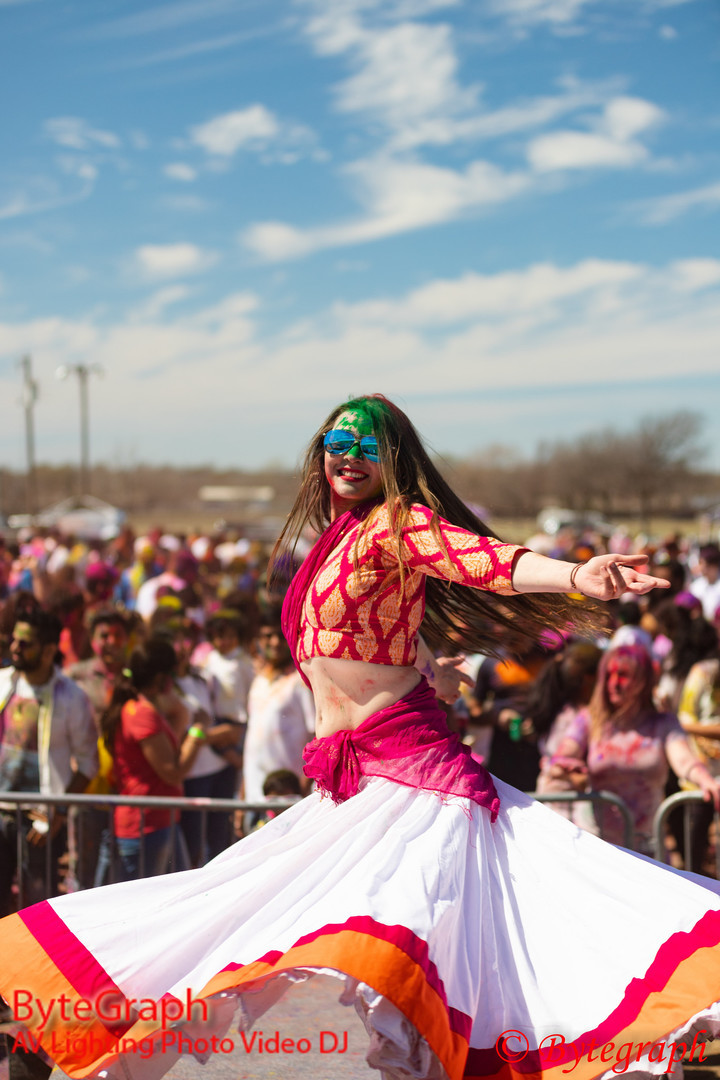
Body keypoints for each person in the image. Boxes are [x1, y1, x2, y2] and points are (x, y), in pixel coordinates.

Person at [1, 394, 720, 1080]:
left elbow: (484, 561)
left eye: (364, 446)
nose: (347, 457)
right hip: (350, 792)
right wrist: (425, 663)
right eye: (334, 444)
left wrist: (573, 574)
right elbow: (367, 640)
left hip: (418, 791)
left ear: (392, 460)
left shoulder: (396, 525)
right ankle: (65, 1029)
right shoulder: (336, 541)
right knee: (220, 908)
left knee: (418, 965)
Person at [548, 643, 718, 854]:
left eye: (623, 675)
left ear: (644, 680)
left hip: (646, 847)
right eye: (609, 675)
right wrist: (567, 768)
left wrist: (705, 780)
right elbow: (561, 757)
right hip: (596, 844)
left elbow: (683, 760)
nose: (614, 683)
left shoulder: (663, 723)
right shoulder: (589, 720)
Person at [0, 610, 97, 915]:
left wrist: (59, 814)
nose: (14, 647)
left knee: (37, 909)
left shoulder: (71, 697)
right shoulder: (3, 683)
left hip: (39, 822)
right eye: (14, 639)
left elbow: (87, 765)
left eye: (24, 642)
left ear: (48, 650)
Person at [92, 637, 203, 885]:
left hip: (159, 821)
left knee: (180, 894)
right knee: (142, 909)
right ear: (160, 678)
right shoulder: (141, 712)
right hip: (146, 827)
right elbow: (172, 772)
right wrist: (198, 734)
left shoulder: (141, 708)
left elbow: (168, 747)